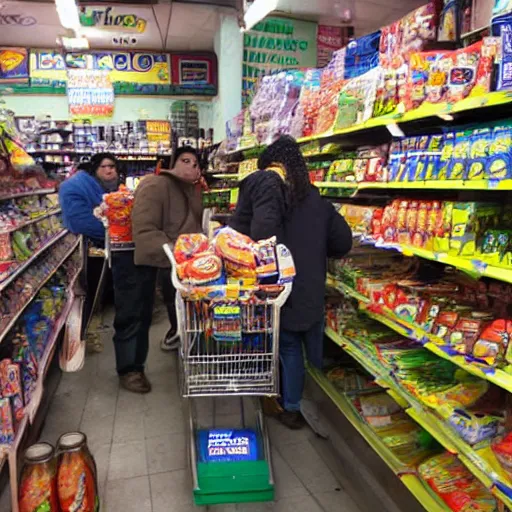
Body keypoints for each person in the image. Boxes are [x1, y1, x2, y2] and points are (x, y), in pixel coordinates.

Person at [230, 135, 352, 429]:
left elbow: (253, 239)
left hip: (279, 287)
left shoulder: (269, 198)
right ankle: (308, 401)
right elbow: (343, 242)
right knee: (306, 344)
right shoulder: (318, 202)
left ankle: (292, 407)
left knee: (287, 346)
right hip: (310, 287)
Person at [126, 147, 203, 391]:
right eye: (185, 160)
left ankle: (180, 336)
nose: (191, 166)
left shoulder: (196, 189)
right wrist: (173, 252)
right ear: (172, 163)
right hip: (160, 262)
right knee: (140, 312)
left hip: (189, 264)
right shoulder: (154, 184)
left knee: (182, 306)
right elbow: (145, 228)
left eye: (196, 162)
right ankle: (132, 368)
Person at [59, 153, 119, 346]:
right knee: (90, 291)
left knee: (97, 288)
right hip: (88, 248)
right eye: (105, 167)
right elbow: (79, 222)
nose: (110, 171)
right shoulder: (76, 186)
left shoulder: (100, 186)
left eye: (113, 167)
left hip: (100, 245)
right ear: (94, 169)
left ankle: (92, 324)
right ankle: (87, 333)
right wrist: (116, 232)